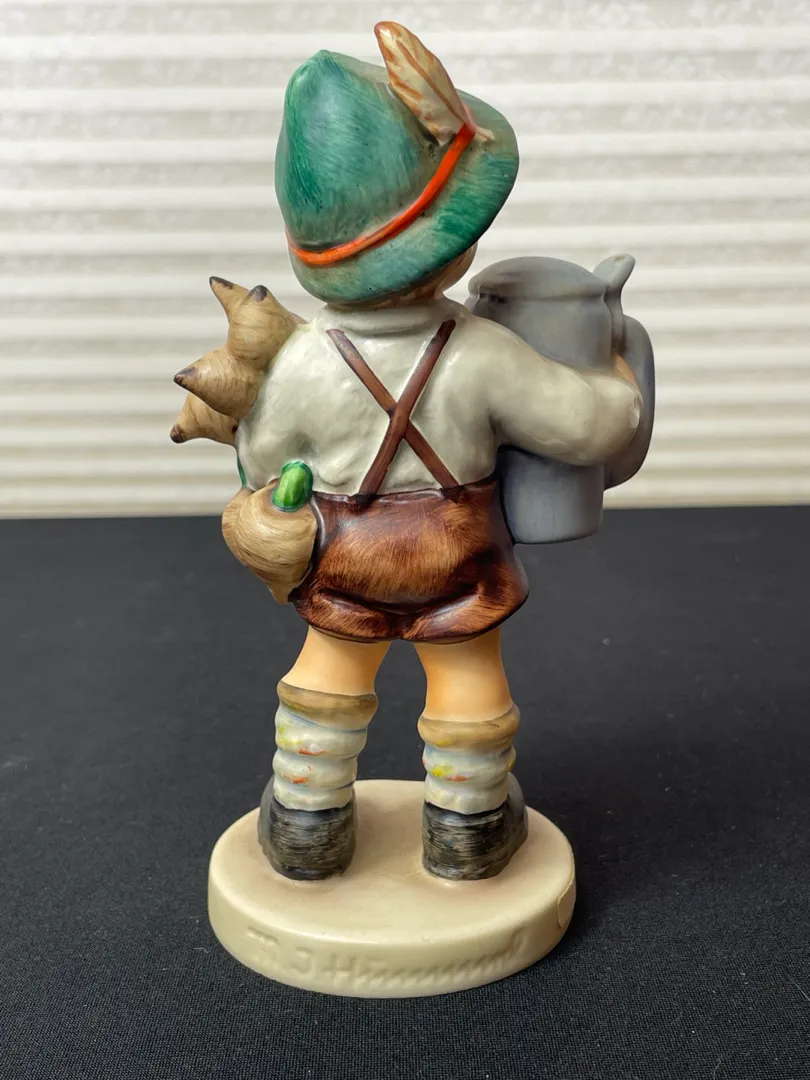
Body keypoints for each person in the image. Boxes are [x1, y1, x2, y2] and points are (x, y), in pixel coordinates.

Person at [235, 23, 642, 882]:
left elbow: (262, 463)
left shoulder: (301, 358)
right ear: (452, 245)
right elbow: (588, 427)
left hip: (343, 556)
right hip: (458, 556)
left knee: (328, 672)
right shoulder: (484, 351)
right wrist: (617, 376)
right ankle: (469, 827)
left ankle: (307, 820)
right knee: (467, 680)